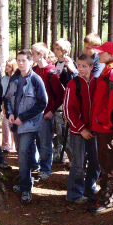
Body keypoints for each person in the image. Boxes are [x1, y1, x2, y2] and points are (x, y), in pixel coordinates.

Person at [3, 49, 48, 204]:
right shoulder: (14, 78)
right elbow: (7, 99)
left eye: (24, 60)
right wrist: (9, 113)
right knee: (21, 154)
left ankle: (26, 188)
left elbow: (42, 103)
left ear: (31, 62)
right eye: (19, 60)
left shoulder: (36, 80)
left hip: (29, 125)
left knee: (23, 154)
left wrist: (23, 117)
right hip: (15, 124)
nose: (21, 63)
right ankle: (23, 182)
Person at [89, 41, 113, 213]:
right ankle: (104, 192)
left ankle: (108, 198)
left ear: (111, 55)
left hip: (107, 127)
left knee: (109, 163)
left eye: (102, 52)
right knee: (104, 161)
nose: (98, 54)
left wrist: (103, 120)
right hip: (101, 125)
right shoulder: (107, 72)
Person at [63, 54, 100, 204]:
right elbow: (67, 110)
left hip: (95, 131)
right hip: (78, 132)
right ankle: (74, 194)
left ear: (91, 67)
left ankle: (90, 187)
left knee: (96, 161)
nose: (81, 69)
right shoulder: (73, 84)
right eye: (79, 66)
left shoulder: (97, 83)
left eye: (84, 66)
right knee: (78, 163)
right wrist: (81, 128)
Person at [31, 42, 65, 181]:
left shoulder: (51, 72)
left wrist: (51, 110)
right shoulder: (33, 70)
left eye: (33, 53)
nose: (31, 55)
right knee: (36, 141)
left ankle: (45, 169)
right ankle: (38, 165)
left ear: (41, 54)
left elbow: (61, 95)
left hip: (45, 114)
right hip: (34, 113)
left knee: (45, 143)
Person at [53, 38, 77, 164]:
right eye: (55, 48)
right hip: (57, 103)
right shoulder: (56, 64)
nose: (55, 51)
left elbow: (73, 83)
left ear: (64, 50)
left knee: (65, 133)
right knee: (58, 133)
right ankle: (58, 156)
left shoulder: (70, 65)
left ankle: (74, 161)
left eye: (58, 49)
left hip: (66, 104)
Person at [1, 58, 18, 153]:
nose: (7, 68)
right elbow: (3, 93)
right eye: (6, 66)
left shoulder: (15, 78)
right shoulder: (4, 78)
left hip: (14, 104)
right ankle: (6, 144)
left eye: (9, 66)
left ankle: (14, 143)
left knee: (13, 125)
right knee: (5, 124)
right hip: (5, 103)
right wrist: (3, 105)